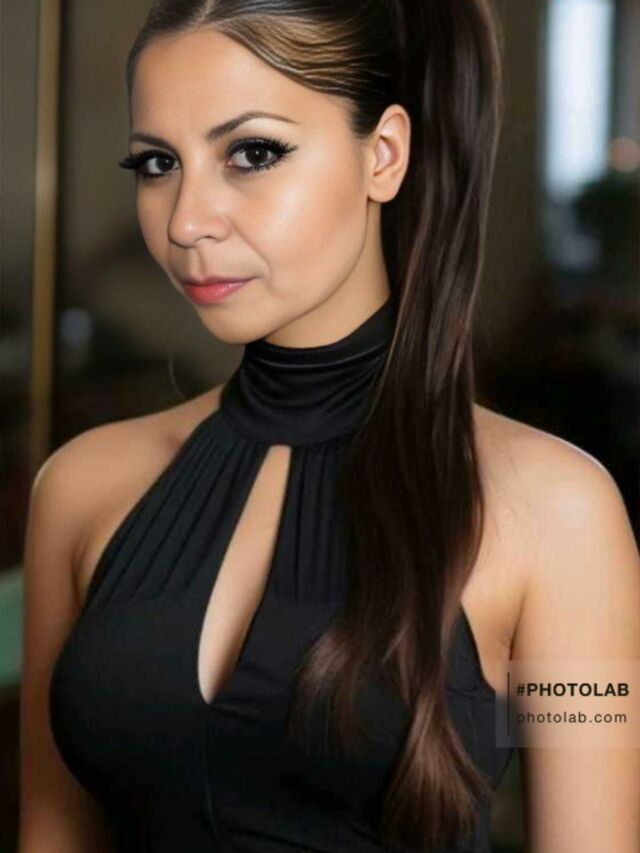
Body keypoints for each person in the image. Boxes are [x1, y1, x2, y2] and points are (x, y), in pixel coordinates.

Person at [19, 1, 640, 851]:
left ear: (384, 155)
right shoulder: (80, 487)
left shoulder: (562, 514)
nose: (185, 220)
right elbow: (51, 832)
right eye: (158, 162)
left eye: (252, 153)